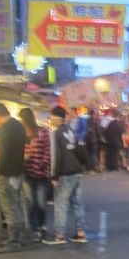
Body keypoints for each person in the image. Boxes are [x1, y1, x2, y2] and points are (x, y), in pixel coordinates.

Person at [0, 101, 27, 253]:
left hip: (7, 173)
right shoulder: (18, 125)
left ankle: (13, 240)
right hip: (18, 172)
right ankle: (20, 237)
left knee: (9, 207)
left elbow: (3, 154)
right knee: (17, 205)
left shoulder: (4, 129)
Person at [45, 105, 87, 244]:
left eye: (51, 118)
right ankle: (81, 233)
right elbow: (80, 152)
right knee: (77, 203)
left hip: (64, 172)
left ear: (57, 119)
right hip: (76, 171)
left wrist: (54, 176)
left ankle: (60, 235)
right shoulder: (71, 131)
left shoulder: (56, 134)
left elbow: (56, 157)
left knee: (60, 204)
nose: (50, 120)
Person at [19, 107, 51, 242]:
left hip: (41, 173)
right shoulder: (21, 134)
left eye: (22, 118)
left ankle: (42, 225)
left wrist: (43, 163)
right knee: (31, 203)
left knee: (41, 202)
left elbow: (49, 150)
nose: (21, 121)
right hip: (26, 173)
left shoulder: (42, 132)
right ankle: (35, 229)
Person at [84, 108, 102, 172]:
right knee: (93, 154)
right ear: (93, 114)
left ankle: (88, 167)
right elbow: (98, 131)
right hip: (94, 140)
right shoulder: (95, 121)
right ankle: (93, 168)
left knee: (88, 154)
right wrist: (100, 138)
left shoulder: (86, 121)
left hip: (87, 139)